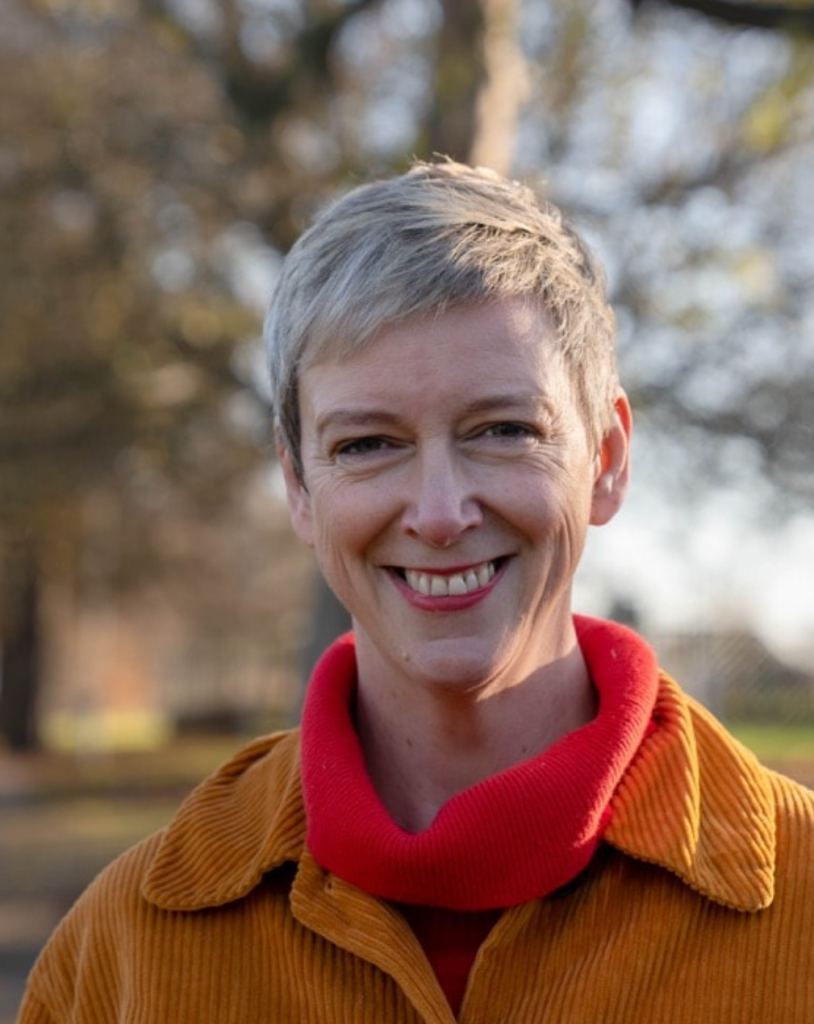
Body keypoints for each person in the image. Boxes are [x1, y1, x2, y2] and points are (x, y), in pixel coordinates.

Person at [18, 160, 814, 1024]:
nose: (439, 514)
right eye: (367, 444)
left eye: (504, 431)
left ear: (607, 461)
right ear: (297, 486)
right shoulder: (126, 951)